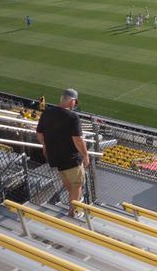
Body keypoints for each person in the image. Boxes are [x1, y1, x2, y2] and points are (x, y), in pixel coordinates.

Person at [36, 88, 89, 218]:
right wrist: (85, 155)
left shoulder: (47, 112)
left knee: (70, 185)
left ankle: (73, 205)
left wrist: (45, 146)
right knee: (77, 184)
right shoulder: (72, 117)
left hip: (55, 158)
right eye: (75, 102)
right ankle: (73, 212)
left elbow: (39, 133)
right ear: (72, 101)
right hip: (70, 158)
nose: (75, 105)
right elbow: (78, 139)